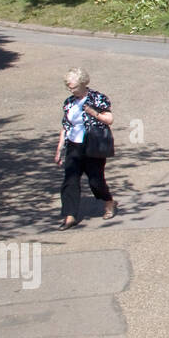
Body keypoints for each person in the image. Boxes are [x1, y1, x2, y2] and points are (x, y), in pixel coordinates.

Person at [55, 67, 117, 229]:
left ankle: (109, 201)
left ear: (83, 83)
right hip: (74, 146)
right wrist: (59, 148)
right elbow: (65, 126)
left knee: (95, 181)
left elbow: (109, 119)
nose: (71, 90)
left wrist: (92, 112)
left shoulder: (97, 98)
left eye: (73, 87)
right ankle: (69, 216)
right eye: (68, 87)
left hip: (93, 145)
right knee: (70, 180)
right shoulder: (69, 102)